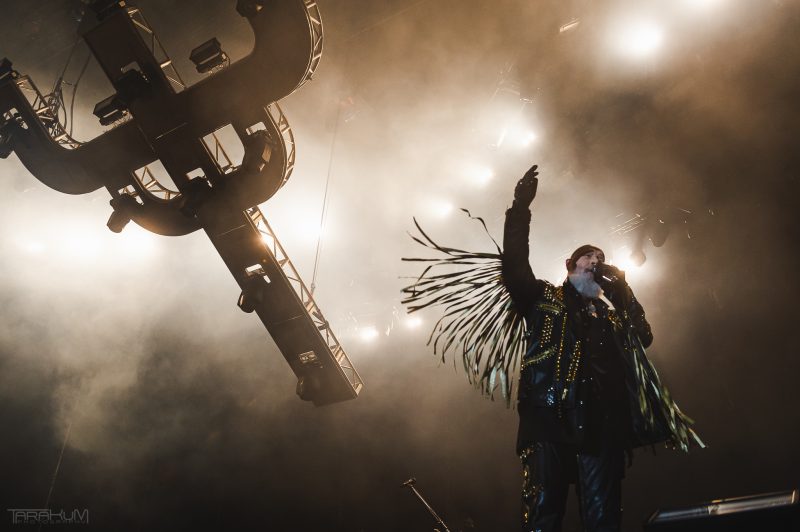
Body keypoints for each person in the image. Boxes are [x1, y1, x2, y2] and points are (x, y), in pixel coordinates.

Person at [502, 164, 698, 532]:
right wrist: (519, 209)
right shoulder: (543, 300)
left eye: (601, 257)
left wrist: (623, 293)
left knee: (603, 519)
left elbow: (644, 337)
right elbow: (514, 267)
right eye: (588, 256)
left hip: (601, 426)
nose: (596, 261)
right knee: (544, 514)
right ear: (569, 265)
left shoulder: (611, 317)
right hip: (549, 420)